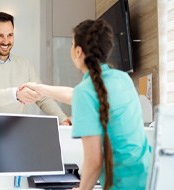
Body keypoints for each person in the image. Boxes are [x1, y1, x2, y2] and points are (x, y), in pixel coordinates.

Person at [22, 19, 151, 190]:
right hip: (150, 178)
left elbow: (94, 161)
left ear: (77, 51)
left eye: (72, 44)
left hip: (121, 184)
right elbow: (77, 95)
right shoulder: (123, 79)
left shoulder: (86, 91)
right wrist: (40, 88)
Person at [0, 12, 69, 124]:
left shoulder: (25, 64)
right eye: (0, 36)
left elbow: (42, 97)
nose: (6, 41)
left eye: (10, 35)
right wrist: (16, 94)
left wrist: (62, 118)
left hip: (17, 130)